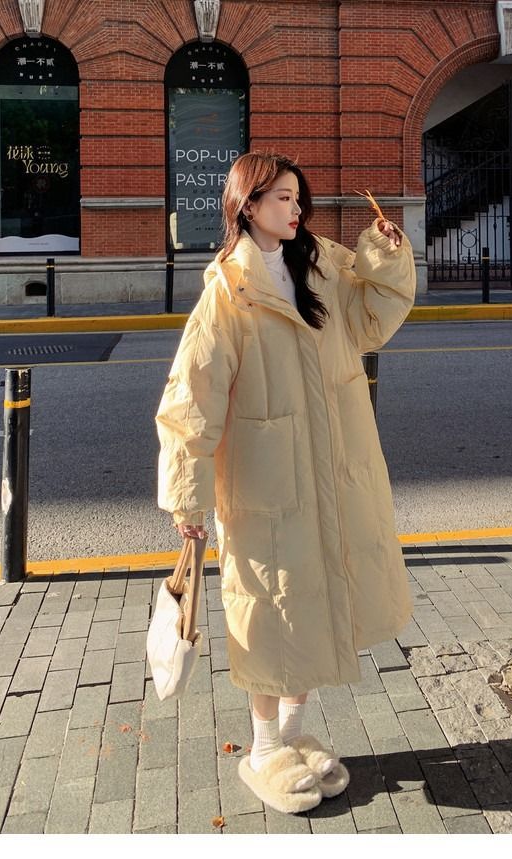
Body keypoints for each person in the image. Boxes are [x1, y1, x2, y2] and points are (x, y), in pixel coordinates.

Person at [156, 152, 416, 814]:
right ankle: (265, 747)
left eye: (298, 198)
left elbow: (373, 321)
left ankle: (296, 736)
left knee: (317, 604)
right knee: (270, 611)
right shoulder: (228, 292)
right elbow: (192, 400)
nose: (295, 209)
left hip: (332, 471)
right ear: (247, 205)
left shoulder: (322, 267)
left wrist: (385, 259)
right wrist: (186, 497)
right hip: (265, 483)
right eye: (281, 198)